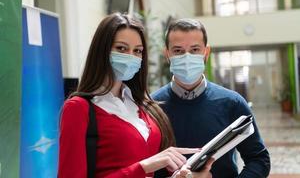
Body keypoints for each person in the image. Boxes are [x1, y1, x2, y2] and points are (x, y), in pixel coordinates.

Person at [58, 13, 213, 178]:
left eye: (138, 51)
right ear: (102, 50)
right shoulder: (79, 108)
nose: (130, 56)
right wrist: (144, 166)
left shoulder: (145, 107)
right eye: (121, 48)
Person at [152, 18, 271, 178]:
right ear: (167, 54)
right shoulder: (152, 107)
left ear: (206, 53)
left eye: (195, 50)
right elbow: (142, 165)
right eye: (178, 51)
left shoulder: (232, 103)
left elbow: (258, 159)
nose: (187, 57)